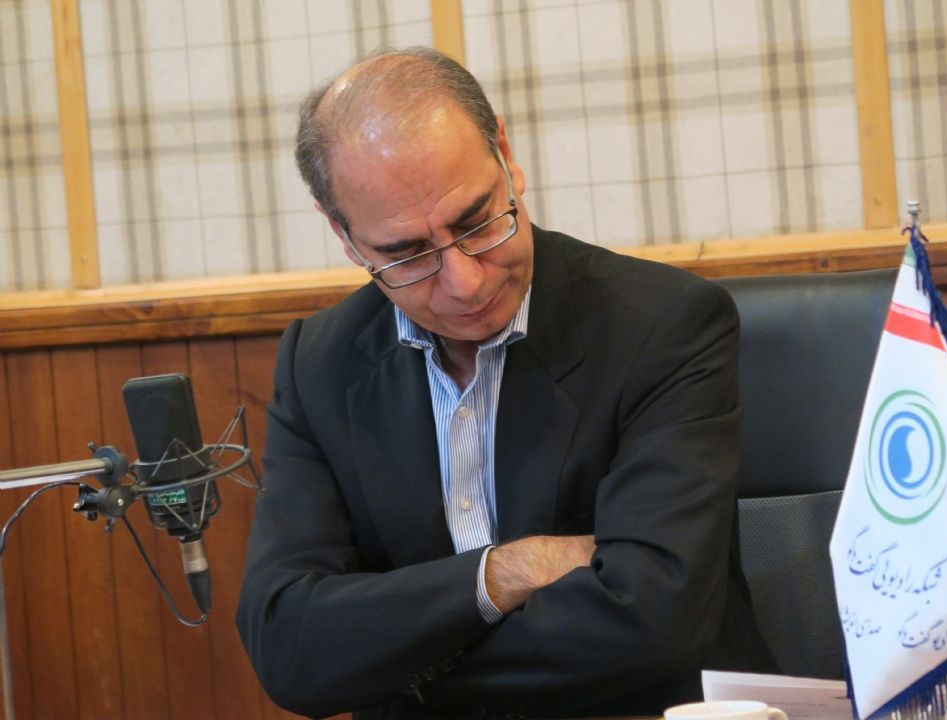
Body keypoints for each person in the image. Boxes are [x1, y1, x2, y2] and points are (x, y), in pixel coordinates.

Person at [236, 46, 775, 719]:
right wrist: (505, 573)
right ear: (344, 237)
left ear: (506, 158)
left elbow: (652, 620)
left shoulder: (663, 325)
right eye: (407, 255)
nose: (464, 282)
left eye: (477, 223)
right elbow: (288, 647)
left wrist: (390, 662)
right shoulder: (320, 363)